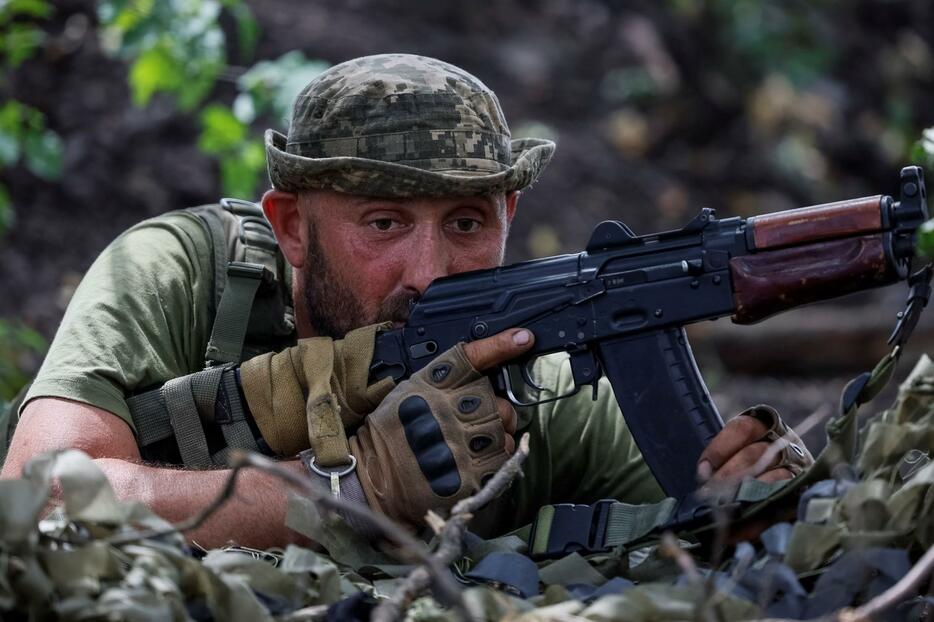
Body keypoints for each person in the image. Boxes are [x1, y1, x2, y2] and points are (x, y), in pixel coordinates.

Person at [0, 54, 810, 548]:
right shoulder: (183, 277)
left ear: (509, 219)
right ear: (291, 228)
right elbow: (37, 497)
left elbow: (706, 544)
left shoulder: (539, 375)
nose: (429, 270)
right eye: (383, 222)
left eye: (465, 223)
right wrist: (354, 496)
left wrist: (753, 497)